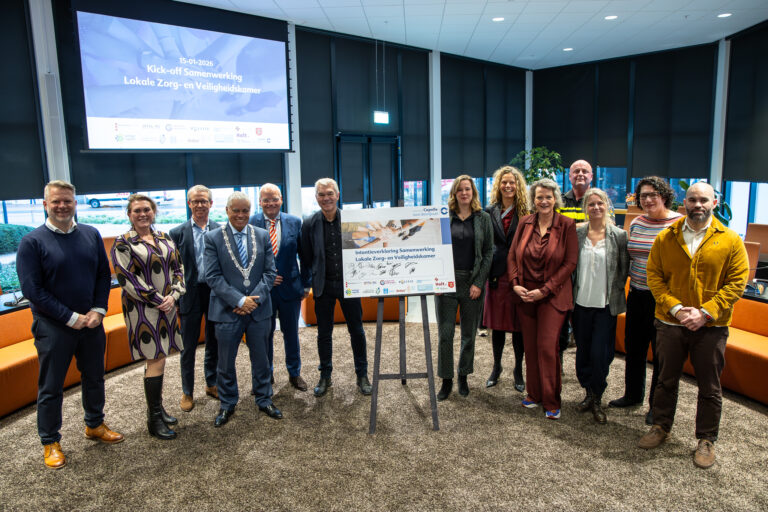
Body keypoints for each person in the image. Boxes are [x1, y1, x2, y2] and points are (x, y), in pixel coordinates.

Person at [638, 182, 748, 469]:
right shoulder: (666, 237)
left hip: (711, 327)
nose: (697, 204)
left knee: (709, 386)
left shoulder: (730, 240)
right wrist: (675, 307)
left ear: (714, 203)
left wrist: (705, 313)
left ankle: (706, 438)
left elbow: (737, 282)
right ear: (683, 203)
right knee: (665, 379)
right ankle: (661, 426)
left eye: (703, 200)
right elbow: (654, 276)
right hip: (669, 322)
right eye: (692, 200)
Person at [17, 180, 123, 469]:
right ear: (45, 204)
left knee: (94, 377)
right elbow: (33, 291)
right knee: (51, 386)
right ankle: (50, 441)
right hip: (54, 327)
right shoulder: (32, 242)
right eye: (56, 202)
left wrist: (99, 310)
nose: (62, 206)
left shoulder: (90, 234)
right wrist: (70, 317)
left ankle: (95, 425)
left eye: (67, 201)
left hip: (92, 322)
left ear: (75, 203)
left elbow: (104, 275)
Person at [609, 177, 683, 426]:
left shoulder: (678, 224)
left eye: (652, 194)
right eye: (643, 196)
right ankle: (633, 395)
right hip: (637, 293)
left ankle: (657, 405)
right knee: (635, 348)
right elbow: (630, 256)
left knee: (661, 354)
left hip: (665, 299)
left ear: (664, 195)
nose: (648, 200)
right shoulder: (638, 222)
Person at [112, 194, 186, 440]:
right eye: (137, 211)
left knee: (160, 358)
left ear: (154, 212)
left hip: (168, 306)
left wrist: (173, 297)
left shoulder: (165, 237)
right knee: (155, 359)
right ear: (129, 215)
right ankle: (154, 419)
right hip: (144, 311)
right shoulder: (123, 243)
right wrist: (159, 300)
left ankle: (158, 409)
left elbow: (178, 269)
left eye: (147, 209)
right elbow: (127, 279)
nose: (142, 214)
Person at [204, 191, 281, 426]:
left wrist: (252, 301)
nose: (240, 215)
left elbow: (270, 273)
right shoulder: (213, 238)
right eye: (235, 210)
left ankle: (264, 398)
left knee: (262, 358)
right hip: (227, 311)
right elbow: (213, 276)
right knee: (226, 361)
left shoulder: (262, 235)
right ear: (227, 211)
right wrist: (239, 301)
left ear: (250, 211)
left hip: (259, 310)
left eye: (245, 210)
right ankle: (227, 404)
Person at [508, 178, 577, 420]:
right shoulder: (525, 222)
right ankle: (534, 393)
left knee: (547, 347)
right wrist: (515, 284)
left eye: (548, 197)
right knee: (530, 346)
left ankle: (551, 399)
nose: (544, 201)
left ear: (555, 198)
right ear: (533, 200)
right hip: (525, 295)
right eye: (539, 197)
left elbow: (569, 263)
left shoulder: (567, 225)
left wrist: (545, 290)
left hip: (552, 295)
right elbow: (513, 256)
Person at [300, 178, 372, 397]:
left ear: (338, 195)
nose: (326, 198)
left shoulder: (352, 221)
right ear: (316, 198)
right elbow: (305, 256)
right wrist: (306, 285)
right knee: (324, 333)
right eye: (321, 195)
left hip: (349, 285)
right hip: (323, 286)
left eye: (329, 193)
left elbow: (365, 249)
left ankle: (362, 374)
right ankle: (325, 376)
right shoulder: (309, 223)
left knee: (357, 331)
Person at [572, 188, 629, 424]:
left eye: (599, 203)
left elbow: (623, 270)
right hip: (580, 303)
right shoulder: (576, 233)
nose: (595, 208)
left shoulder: (619, 235)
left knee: (600, 354)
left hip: (605, 305)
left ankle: (598, 396)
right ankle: (588, 391)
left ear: (607, 205)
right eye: (591, 204)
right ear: (585, 207)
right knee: (583, 353)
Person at [436, 175, 493, 400]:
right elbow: (434, 249)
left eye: (467, 189)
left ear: (473, 192)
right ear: (454, 193)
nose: (464, 193)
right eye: (459, 190)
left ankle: (463, 376)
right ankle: (446, 379)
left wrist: (479, 283)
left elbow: (488, 252)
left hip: (472, 282)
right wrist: (437, 281)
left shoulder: (483, 218)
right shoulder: (444, 217)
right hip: (447, 283)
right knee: (445, 334)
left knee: (468, 334)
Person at [249, 183, 310, 391]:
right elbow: (246, 258)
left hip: (290, 288)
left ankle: (294, 373)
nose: (270, 203)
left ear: (281, 199)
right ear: (260, 202)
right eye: (266, 199)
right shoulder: (250, 223)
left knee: (291, 333)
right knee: (263, 334)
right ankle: (267, 374)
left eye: (274, 198)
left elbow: (304, 255)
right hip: (262, 291)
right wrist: (264, 278)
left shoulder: (294, 222)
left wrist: (306, 283)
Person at [169, 185, 220, 412]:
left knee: (214, 341)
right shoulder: (177, 233)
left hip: (214, 293)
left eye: (204, 201)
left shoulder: (220, 229)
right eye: (195, 201)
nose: (200, 205)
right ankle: (187, 391)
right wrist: (176, 298)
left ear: (211, 203)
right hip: (189, 294)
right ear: (189, 204)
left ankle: (212, 383)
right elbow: (172, 270)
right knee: (187, 346)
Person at [483, 166, 529, 392]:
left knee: (518, 327)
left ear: (518, 185)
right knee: (498, 326)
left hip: (520, 275)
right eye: (504, 182)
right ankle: (496, 366)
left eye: (512, 182)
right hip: (496, 275)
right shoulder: (489, 211)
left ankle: (518, 369)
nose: (508, 186)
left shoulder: (527, 211)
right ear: (498, 185)